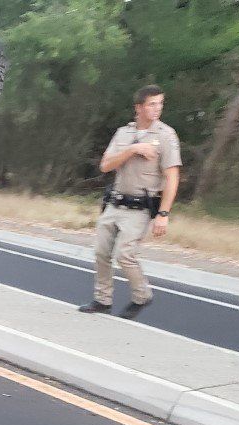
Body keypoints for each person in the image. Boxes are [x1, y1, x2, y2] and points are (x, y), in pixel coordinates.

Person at [79, 85, 181, 319]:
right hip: (115, 202)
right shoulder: (123, 133)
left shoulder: (165, 135)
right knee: (101, 253)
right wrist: (133, 149)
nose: (157, 109)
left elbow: (172, 177)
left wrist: (163, 214)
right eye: (152, 104)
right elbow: (106, 165)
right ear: (139, 107)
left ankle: (142, 295)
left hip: (140, 208)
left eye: (160, 104)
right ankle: (102, 300)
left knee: (125, 255)